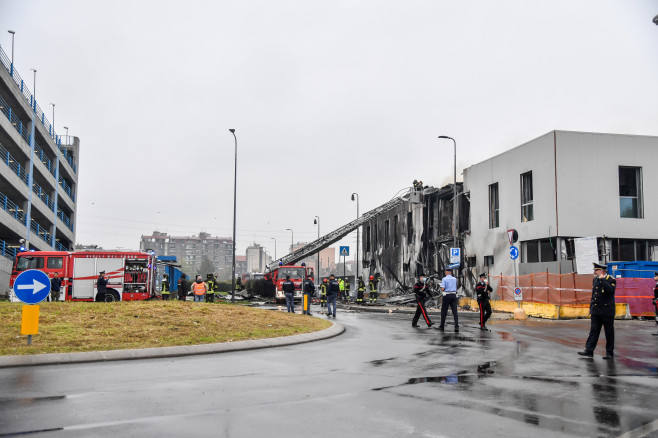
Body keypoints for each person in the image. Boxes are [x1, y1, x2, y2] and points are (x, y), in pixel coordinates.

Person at [578, 263, 617, 359]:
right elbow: (594, 295)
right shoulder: (595, 280)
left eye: (596, 270)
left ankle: (609, 352)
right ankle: (589, 350)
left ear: (602, 271)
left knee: (609, 333)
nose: (594, 272)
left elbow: (610, 291)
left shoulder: (611, 280)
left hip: (607, 311)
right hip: (596, 311)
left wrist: (603, 280)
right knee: (594, 331)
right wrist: (591, 308)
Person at [438, 267, 459, 332]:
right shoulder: (455, 279)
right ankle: (456, 326)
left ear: (447, 272)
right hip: (454, 295)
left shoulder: (444, 279)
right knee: (455, 311)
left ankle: (442, 326)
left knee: (444, 311)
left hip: (447, 295)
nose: (445, 272)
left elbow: (443, 289)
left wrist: (441, 286)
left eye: (445, 271)